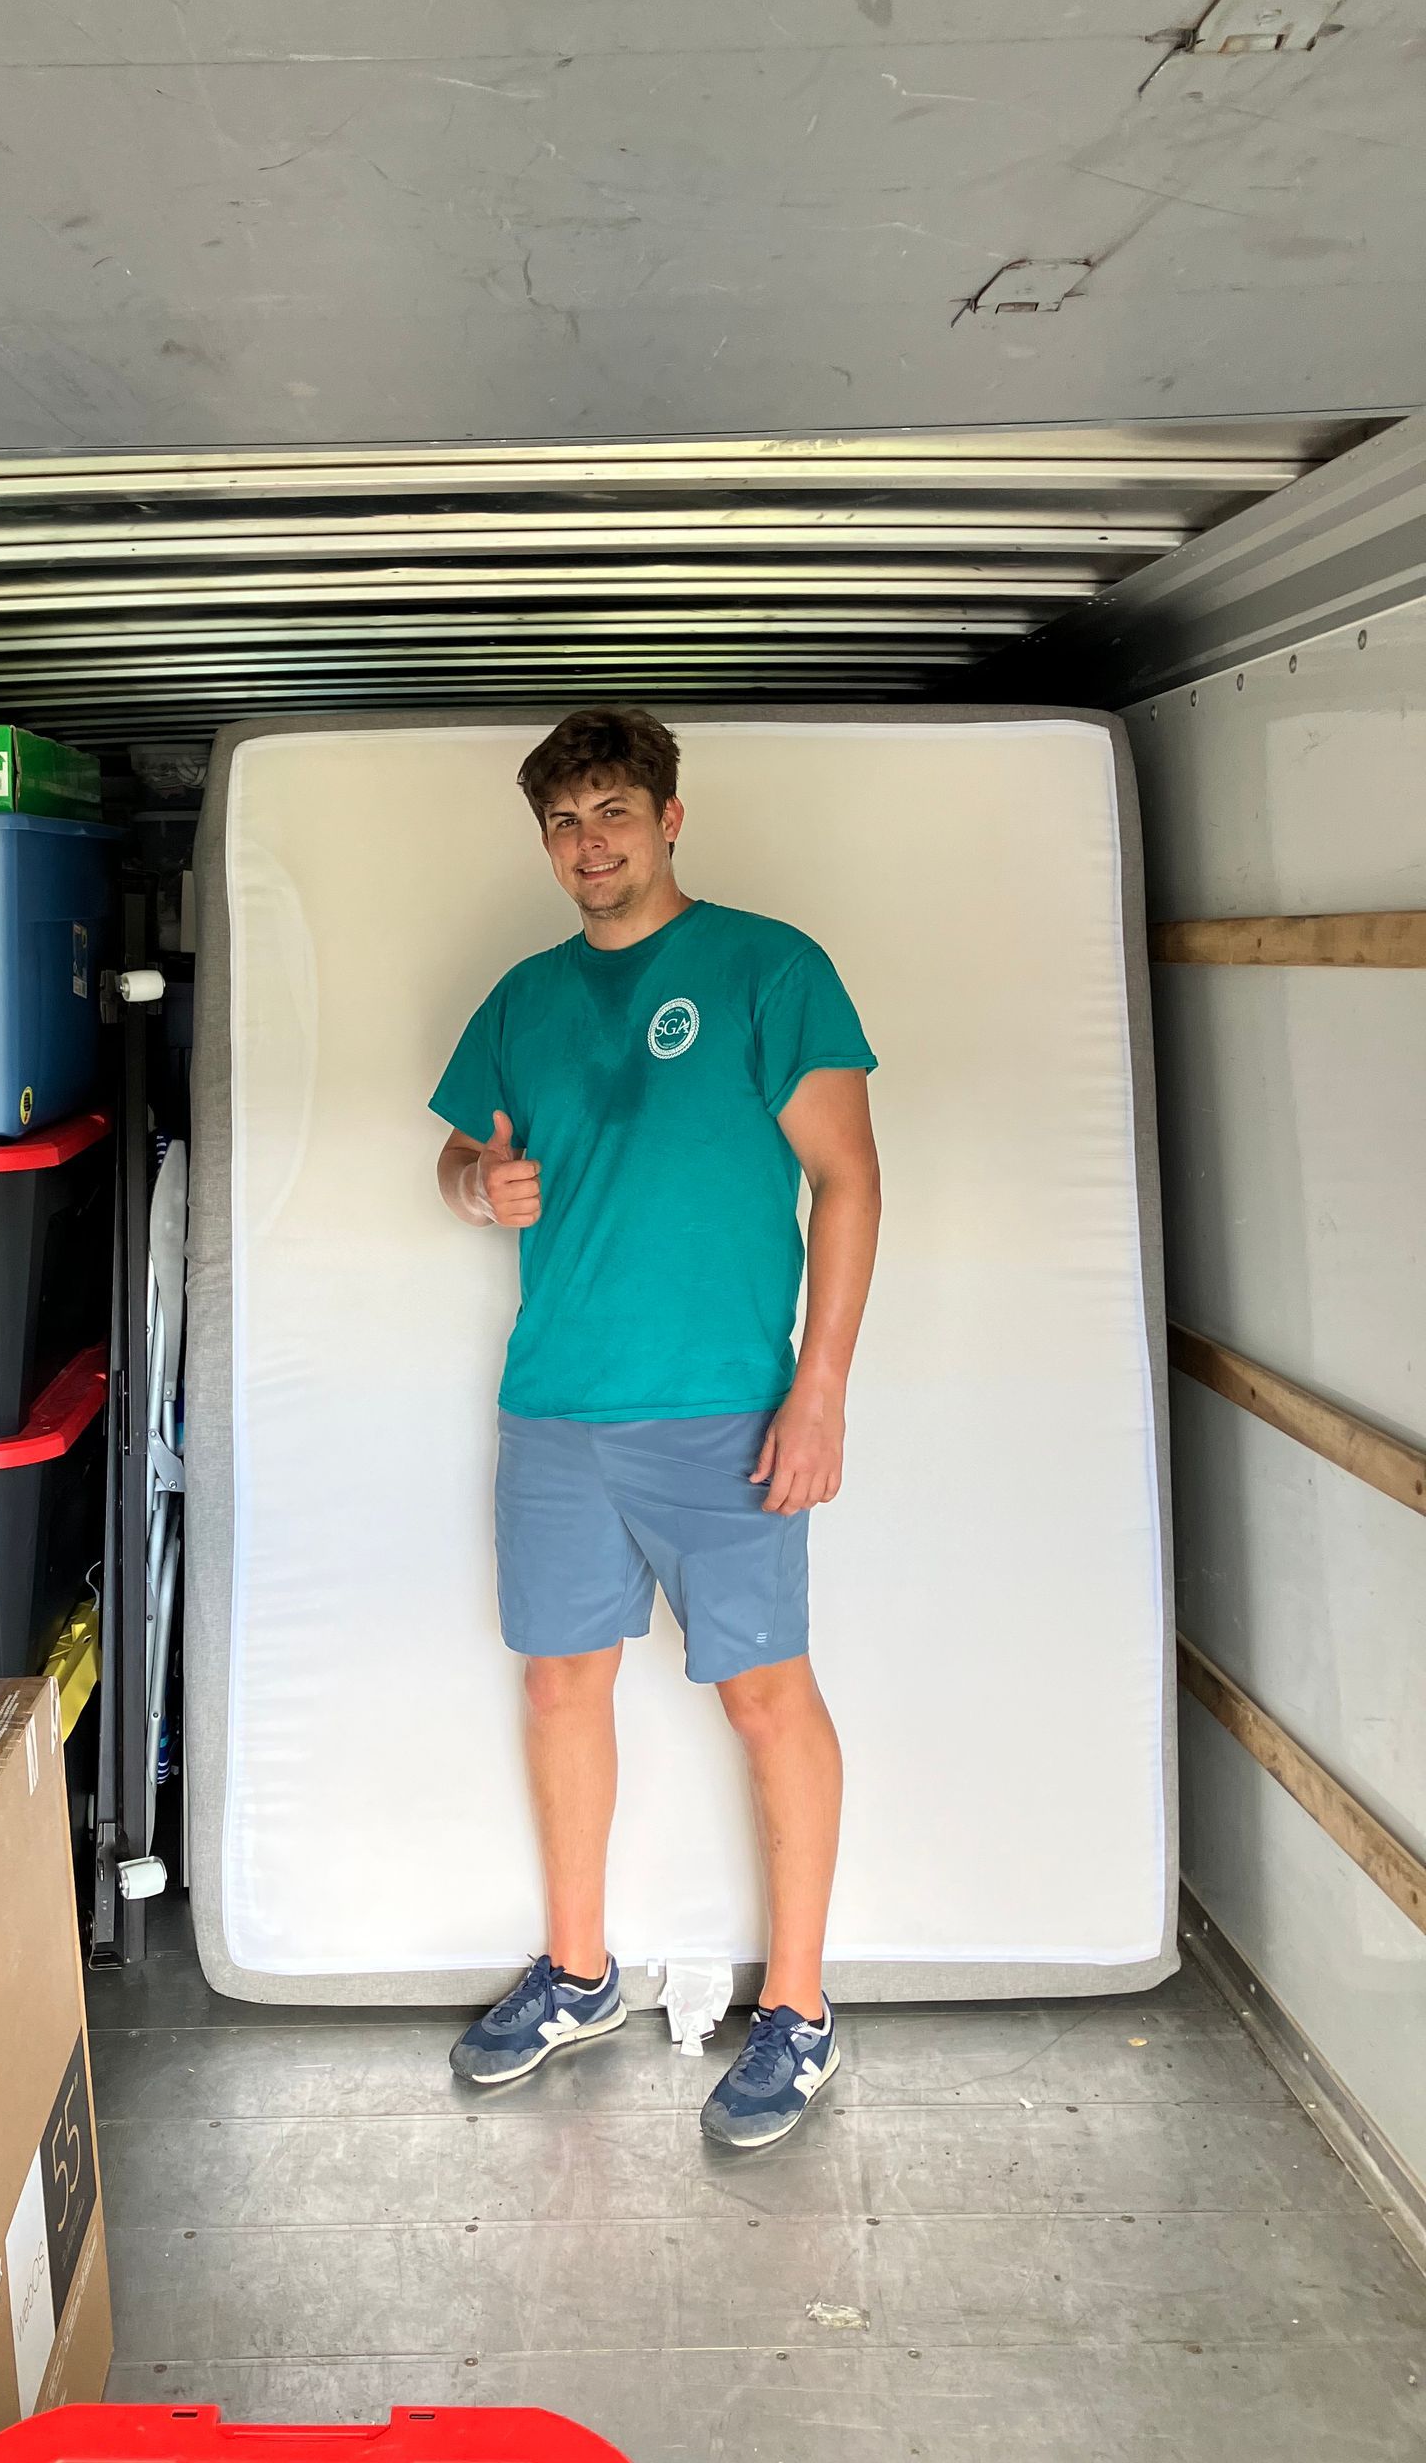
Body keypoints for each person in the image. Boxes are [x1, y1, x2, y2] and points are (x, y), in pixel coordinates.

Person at [429, 707, 881, 2151]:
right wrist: (467, 1187)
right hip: (556, 1407)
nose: (590, 845)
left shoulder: (769, 968)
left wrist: (819, 1388)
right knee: (563, 1687)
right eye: (564, 823)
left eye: (615, 812)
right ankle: (578, 1976)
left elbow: (851, 1184)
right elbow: (463, 1149)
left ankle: (797, 2015)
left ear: (670, 817)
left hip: (725, 1414)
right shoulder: (523, 995)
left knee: (764, 1694)